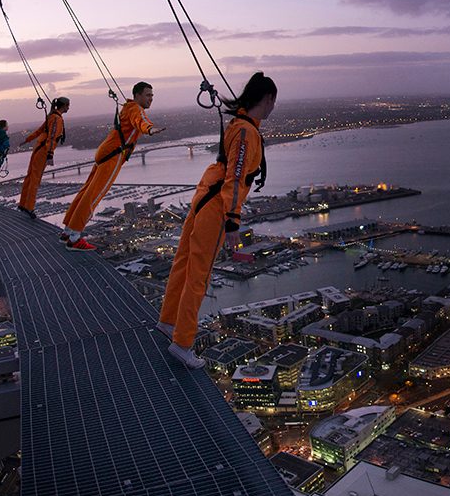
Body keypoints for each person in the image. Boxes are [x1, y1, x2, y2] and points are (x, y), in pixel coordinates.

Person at [158, 72, 276, 368]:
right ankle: (183, 342)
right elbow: (236, 179)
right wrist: (233, 221)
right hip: (216, 207)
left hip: (204, 196)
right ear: (268, 99)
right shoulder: (247, 132)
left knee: (183, 263)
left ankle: (169, 322)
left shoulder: (240, 123)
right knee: (200, 274)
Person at [61, 82, 163, 251]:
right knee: (94, 195)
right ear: (137, 95)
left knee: (86, 191)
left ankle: (68, 230)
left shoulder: (128, 107)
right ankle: (74, 238)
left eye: (152, 95)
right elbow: (141, 121)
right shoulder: (136, 109)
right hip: (114, 155)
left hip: (105, 151)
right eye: (147, 95)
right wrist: (150, 129)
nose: (151, 99)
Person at [18, 97, 70, 219]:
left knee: (30, 176)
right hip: (43, 151)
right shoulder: (57, 119)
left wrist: (27, 140)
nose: (69, 107)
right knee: (35, 179)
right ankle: (29, 207)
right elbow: (52, 137)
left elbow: (39, 131)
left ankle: (23, 203)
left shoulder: (51, 116)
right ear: (64, 105)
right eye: (68, 105)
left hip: (38, 148)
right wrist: (50, 154)